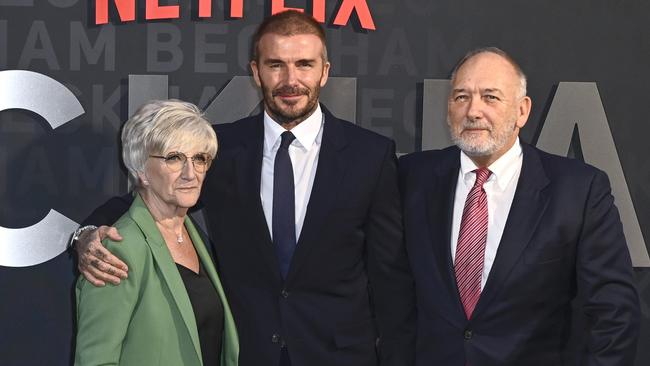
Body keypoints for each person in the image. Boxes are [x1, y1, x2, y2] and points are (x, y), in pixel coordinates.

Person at [73, 10, 415, 366]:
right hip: (249, 353)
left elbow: (389, 277)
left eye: (304, 64)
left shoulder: (369, 155)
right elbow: (152, 197)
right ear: (256, 71)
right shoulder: (221, 149)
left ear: (325, 71)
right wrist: (87, 235)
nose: (290, 79)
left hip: (339, 356)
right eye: (276, 65)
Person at [399, 47, 640, 365]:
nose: (473, 111)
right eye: (461, 97)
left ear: (522, 111)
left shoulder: (578, 189)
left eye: (490, 97)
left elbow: (614, 311)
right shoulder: (411, 176)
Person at [74, 100, 239, 366]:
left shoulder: (194, 236)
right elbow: (96, 361)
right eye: (174, 158)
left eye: (200, 159)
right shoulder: (117, 250)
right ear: (141, 169)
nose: (191, 173)